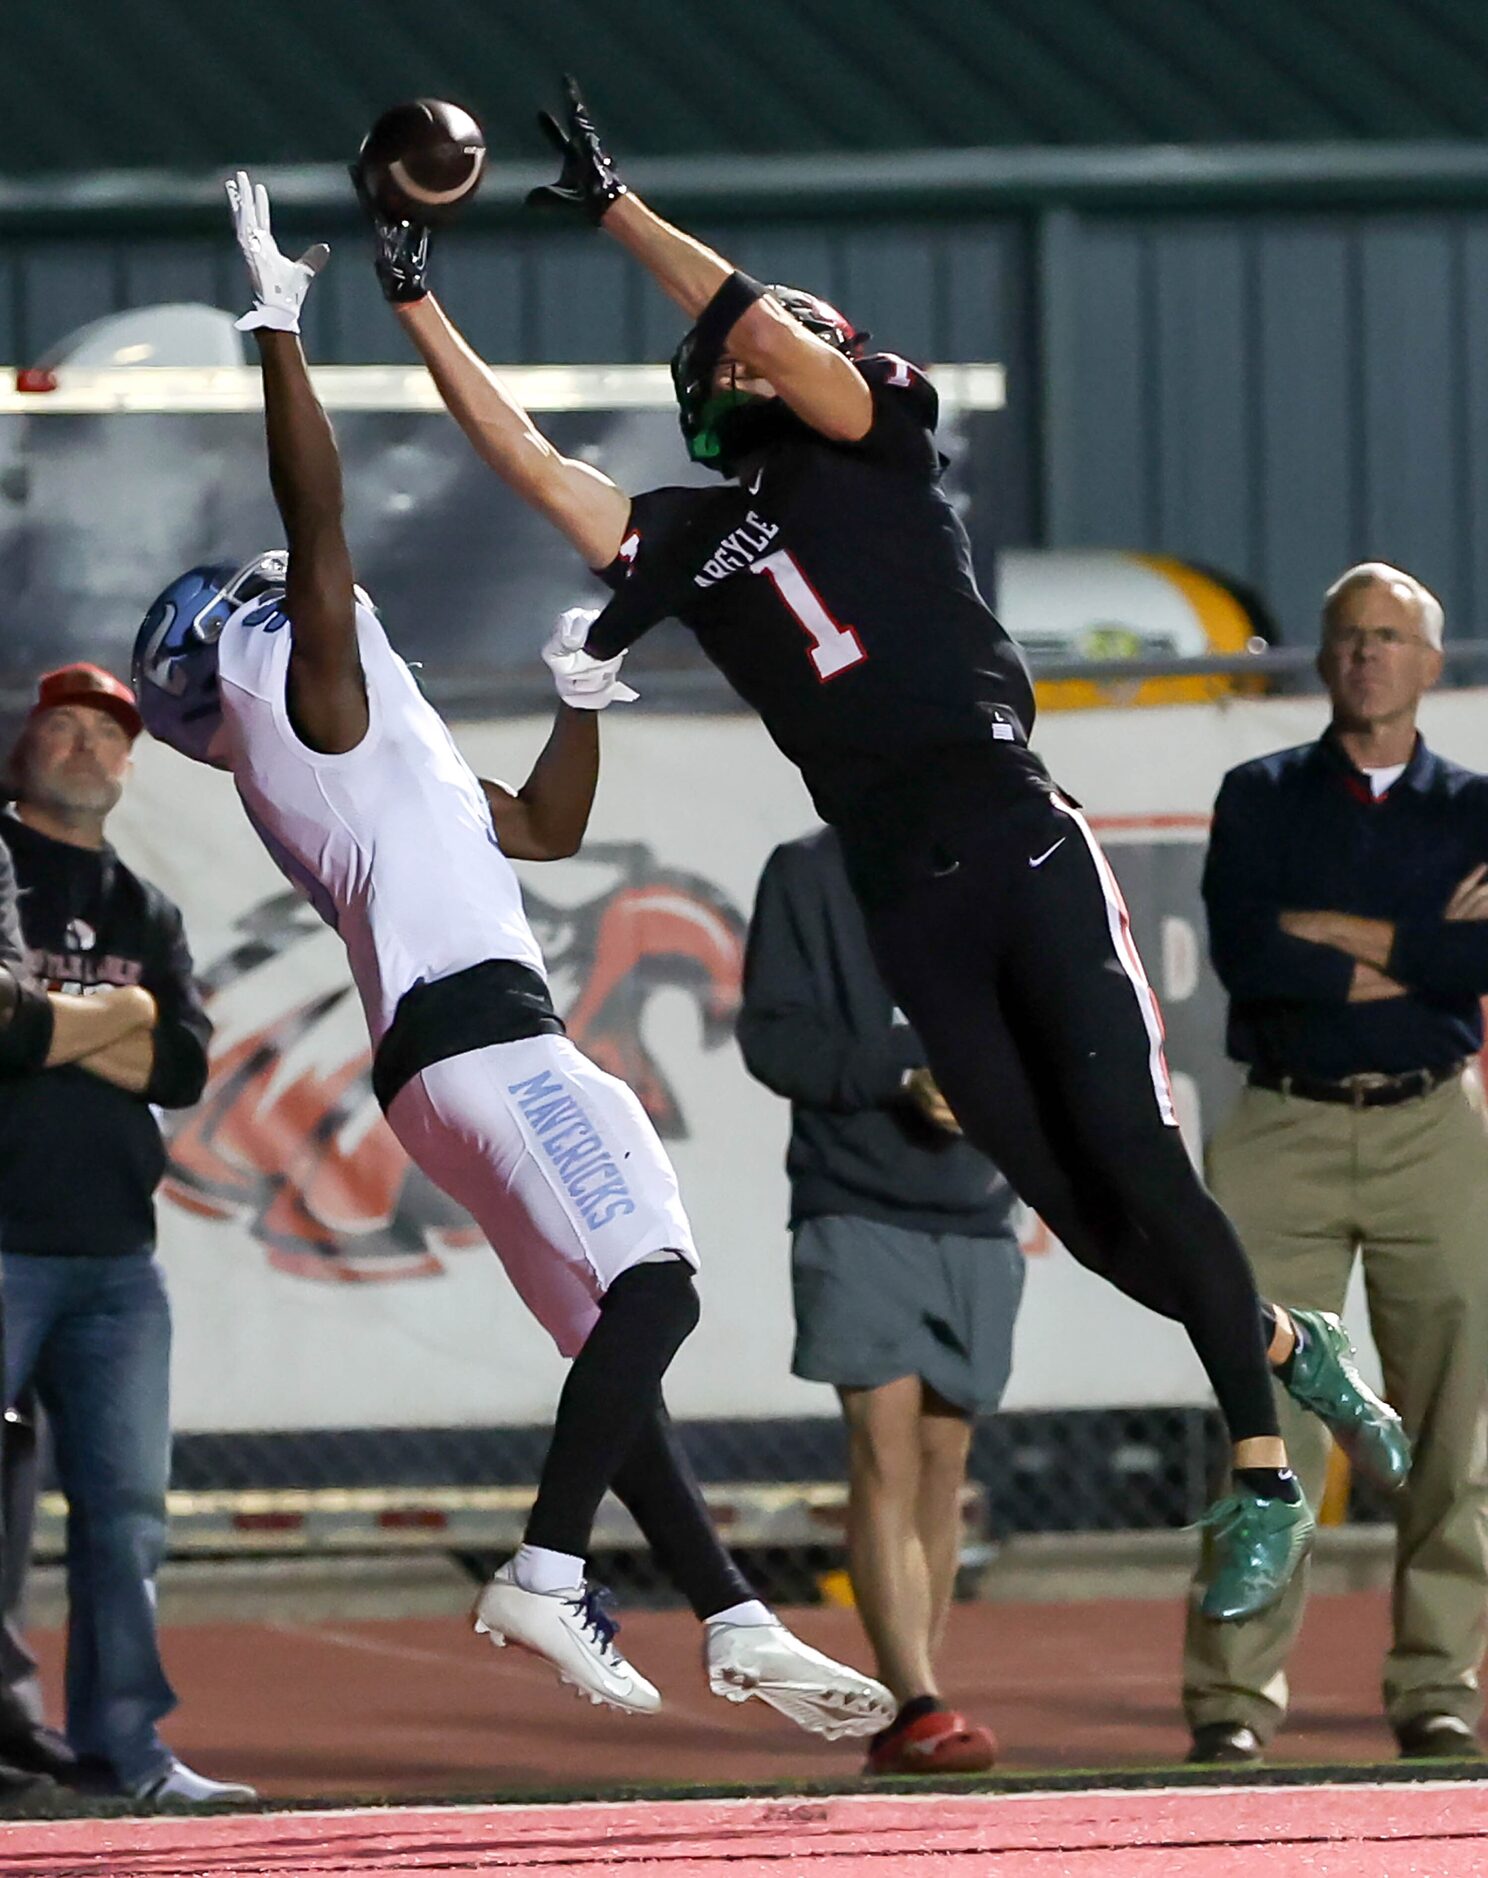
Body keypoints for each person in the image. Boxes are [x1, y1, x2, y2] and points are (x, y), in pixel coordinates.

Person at [356, 78, 1411, 1632]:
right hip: (904, 896)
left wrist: (620, 211)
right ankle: (1283, 1343)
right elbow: (527, 460)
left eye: (766, 333)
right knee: (1083, 1204)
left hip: (1017, 835)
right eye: (735, 343)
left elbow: (780, 341)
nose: (757, 343)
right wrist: (411, 293)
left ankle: (1261, 1467)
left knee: (1130, 1150)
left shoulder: (879, 437)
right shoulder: (698, 536)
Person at [129, 171, 892, 1741]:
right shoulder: (314, 701)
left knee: (618, 1342)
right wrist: (278, 327)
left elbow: (537, 827)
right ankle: (545, 1565)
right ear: (248, 645)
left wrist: (580, 698)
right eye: (282, 603)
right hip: (486, 1039)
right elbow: (317, 515)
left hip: (443, 1054)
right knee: (661, 1290)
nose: (321, 601)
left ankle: (734, 1617)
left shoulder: (348, 753)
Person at [1182, 563, 1488, 1766]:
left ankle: (1435, 1681)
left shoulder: (1474, 807)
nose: (1367, 655)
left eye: (1390, 637)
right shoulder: (1257, 797)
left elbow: (1479, 968)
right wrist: (1425, 947)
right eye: (1348, 636)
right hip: (1284, 1127)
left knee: (1455, 1429)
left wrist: (1349, 935)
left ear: (1430, 662)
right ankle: (1234, 1701)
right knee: (1267, 1433)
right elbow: (1252, 956)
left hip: (1432, 1127)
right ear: (1320, 658)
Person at [0, 661, 254, 1806]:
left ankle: (127, 1750)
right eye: (64, 727)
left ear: (133, 765)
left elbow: (187, 1069)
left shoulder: (149, 907)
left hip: (115, 1262)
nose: (88, 748)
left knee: (128, 1519)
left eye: (109, 734)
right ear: (23, 748)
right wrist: (129, 1011)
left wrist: (67, 1025)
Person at [738, 826, 1022, 1773]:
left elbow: (1057, 1014)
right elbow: (773, 1038)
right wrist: (903, 1075)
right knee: (884, 1445)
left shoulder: (1006, 857)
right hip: (853, 1201)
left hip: (979, 1207)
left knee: (945, 1458)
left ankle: (916, 1702)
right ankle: (917, 1697)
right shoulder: (810, 872)